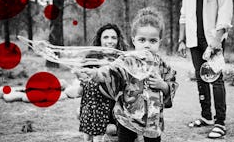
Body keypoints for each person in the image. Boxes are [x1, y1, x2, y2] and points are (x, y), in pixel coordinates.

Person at [75, 7, 178, 142]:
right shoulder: (127, 60)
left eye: (152, 41)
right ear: (134, 40)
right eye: (142, 40)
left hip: (152, 118)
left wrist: (163, 85)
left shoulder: (162, 65)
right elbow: (111, 73)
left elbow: (172, 83)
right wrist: (96, 74)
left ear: (160, 41)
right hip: (127, 116)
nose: (147, 45)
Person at [178, 0, 233, 139]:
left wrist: (217, 40)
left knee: (216, 78)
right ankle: (206, 116)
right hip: (194, 39)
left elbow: (225, 10)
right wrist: (181, 40)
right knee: (200, 77)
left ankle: (220, 122)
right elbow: (184, 15)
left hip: (213, 38)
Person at [78, 23, 128, 142]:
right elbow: (81, 89)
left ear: (118, 40)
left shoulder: (123, 60)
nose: (110, 41)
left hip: (114, 108)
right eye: (106, 37)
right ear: (99, 40)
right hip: (93, 107)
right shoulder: (91, 58)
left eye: (113, 37)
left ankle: (116, 134)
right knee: (83, 116)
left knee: (109, 130)